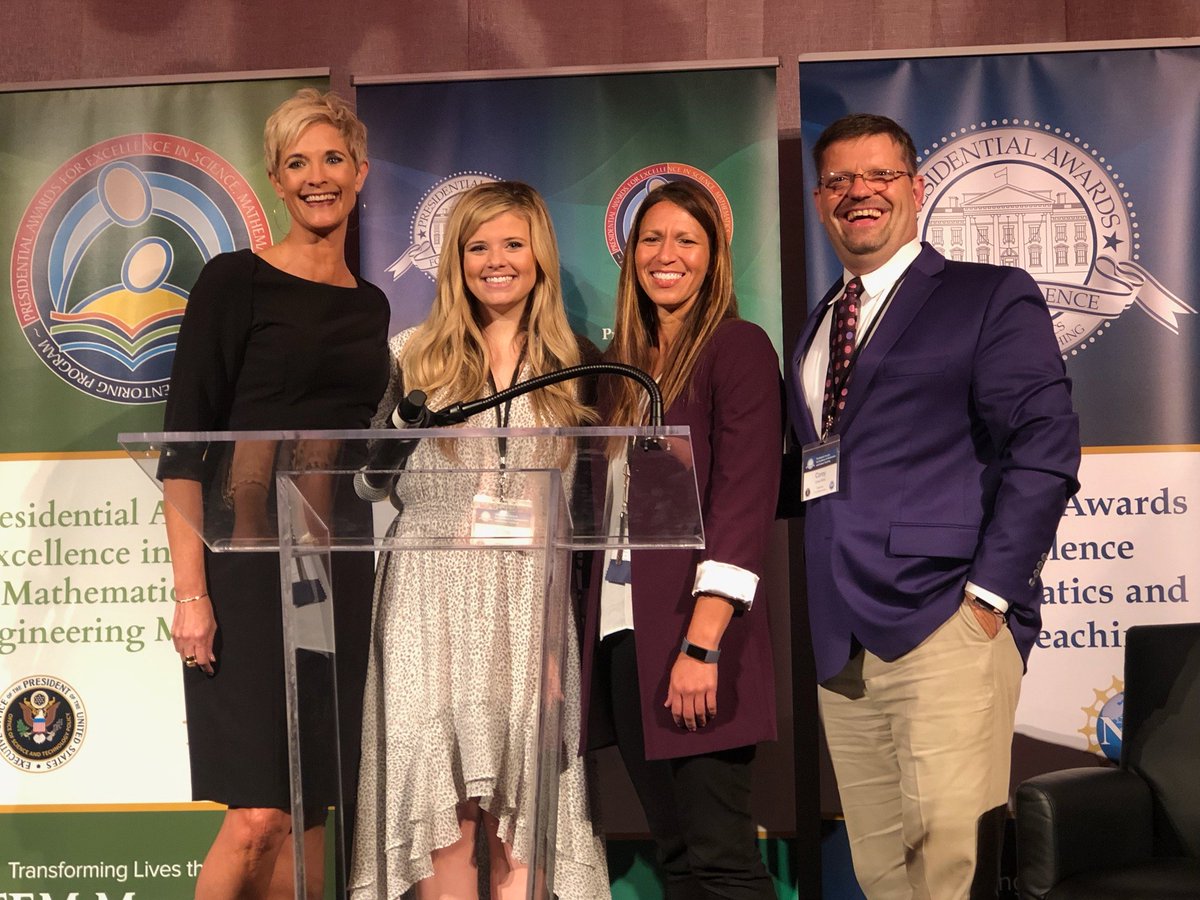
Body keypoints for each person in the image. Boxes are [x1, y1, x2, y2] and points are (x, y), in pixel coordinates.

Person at [786, 113, 1081, 899]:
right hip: (842, 643)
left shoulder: (988, 295)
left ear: (915, 189)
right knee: (885, 877)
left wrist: (990, 596)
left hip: (945, 621)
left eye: (880, 175)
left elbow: (1046, 447)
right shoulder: (819, 324)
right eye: (840, 180)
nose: (860, 192)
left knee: (953, 873)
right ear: (820, 201)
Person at [349, 180, 609, 899]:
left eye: (513, 244)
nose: (496, 261)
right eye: (478, 247)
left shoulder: (576, 365)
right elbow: (366, 483)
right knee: (446, 815)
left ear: (540, 255)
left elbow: (590, 506)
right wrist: (395, 433)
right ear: (456, 261)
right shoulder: (411, 355)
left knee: (527, 813)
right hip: (427, 596)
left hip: (529, 599)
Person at [159, 88, 390, 898]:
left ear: (360, 172)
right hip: (248, 566)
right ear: (276, 181)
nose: (317, 176)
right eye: (298, 163)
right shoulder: (235, 282)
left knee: (311, 811)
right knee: (257, 815)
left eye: (333, 159)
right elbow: (184, 450)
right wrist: (192, 594)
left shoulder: (372, 307)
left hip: (339, 569)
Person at [581, 179, 782, 899]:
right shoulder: (620, 371)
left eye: (686, 240)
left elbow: (744, 500)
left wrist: (701, 645)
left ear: (714, 257)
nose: (667, 255)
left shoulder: (737, 348)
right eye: (652, 239)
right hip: (623, 638)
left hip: (695, 637)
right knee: (678, 859)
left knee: (721, 861)